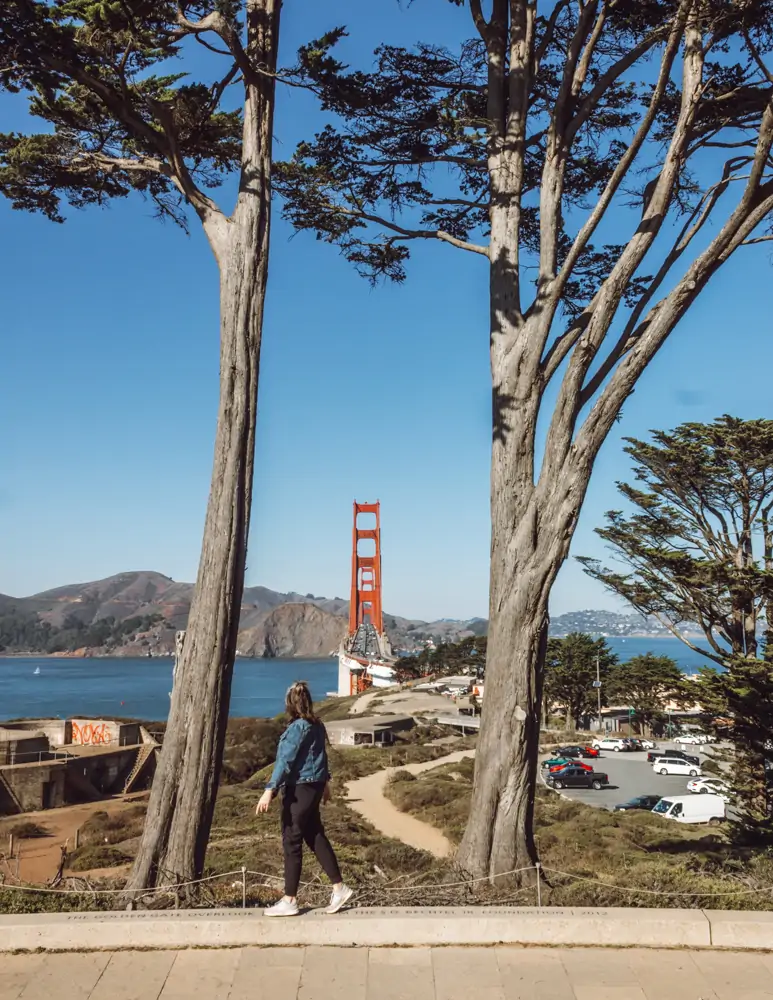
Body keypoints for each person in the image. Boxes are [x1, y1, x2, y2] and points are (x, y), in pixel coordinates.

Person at [256, 681, 353, 917]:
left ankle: (289, 900)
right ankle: (339, 888)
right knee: (315, 835)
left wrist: (270, 789)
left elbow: (285, 762)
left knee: (292, 840)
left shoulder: (297, 727)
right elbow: (321, 756)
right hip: (314, 787)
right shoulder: (317, 725)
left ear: (290, 704)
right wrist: (326, 785)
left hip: (299, 789)